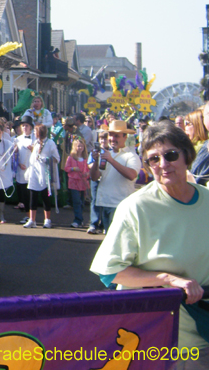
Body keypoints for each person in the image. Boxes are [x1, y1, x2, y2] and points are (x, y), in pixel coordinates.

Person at [90, 121, 209, 363]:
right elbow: (110, 273)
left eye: (171, 155)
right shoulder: (135, 208)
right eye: (153, 159)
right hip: (162, 341)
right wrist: (167, 279)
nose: (163, 164)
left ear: (188, 156)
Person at [89, 120, 141, 232]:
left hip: (120, 204)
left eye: (116, 136)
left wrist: (111, 160)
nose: (112, 139)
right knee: (109, 239)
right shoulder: (107, 154)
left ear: (125, 137)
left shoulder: (131, 156)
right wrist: (96, 160)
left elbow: (132, 175)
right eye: (111, 135)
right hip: (105, 202)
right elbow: (94, 177)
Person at [23, 124, 60, 229]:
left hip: (45, 174)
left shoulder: (50, 143)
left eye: (35, 131)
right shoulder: (36, 142)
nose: (34, 133)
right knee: (33, 196)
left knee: (45, 196)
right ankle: (32, 220)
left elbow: (57, 158)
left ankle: (47, 220)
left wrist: (46, 159)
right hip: (34, 173)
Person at [86, 129, 110, 234]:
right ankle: (93, 224)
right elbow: (89, 164)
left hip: (106, 178)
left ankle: (104, 224)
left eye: (105, 139)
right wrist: (96, 166)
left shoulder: (110, 152)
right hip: (96, 178)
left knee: (105, 201)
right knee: (95, 200)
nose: (103, 141)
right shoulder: (95, 151)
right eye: (101, 138)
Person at [64, 137, 90, 228]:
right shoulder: (71, 158)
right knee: (76, 201)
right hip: (73, 182)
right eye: (78, 146)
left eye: (82, 146)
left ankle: (80, 219)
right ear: (75, 147)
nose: (80, 148)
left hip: (83, 182)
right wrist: (73, 168)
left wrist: (87, 174)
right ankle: (77, 219)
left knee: (82, 202)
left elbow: (88, 170)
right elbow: (66, 168)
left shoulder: (85, 158)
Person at [14, 115, 34, 212]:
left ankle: (31, 215)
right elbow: (15, 155)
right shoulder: (18, 139)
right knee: (22, 192)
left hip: (31, 169)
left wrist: (33, 150)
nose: (25, 128)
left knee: (30, 192)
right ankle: (26, 214)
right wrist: (18, 163)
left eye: (26, 125)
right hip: (21, 169)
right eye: (23, 126)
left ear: (30, 127)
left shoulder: (35, 139)